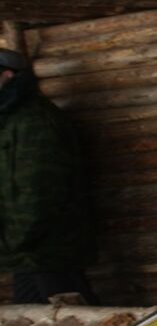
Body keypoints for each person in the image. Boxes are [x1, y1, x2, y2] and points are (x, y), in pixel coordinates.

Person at [0, 47, 96, 305]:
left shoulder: (34, 121)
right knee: (39, 320)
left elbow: (39, 192)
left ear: (7, 76)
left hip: (48, 247)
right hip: (27, 251)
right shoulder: (11, 120)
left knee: (73, 317)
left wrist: (14, 239)